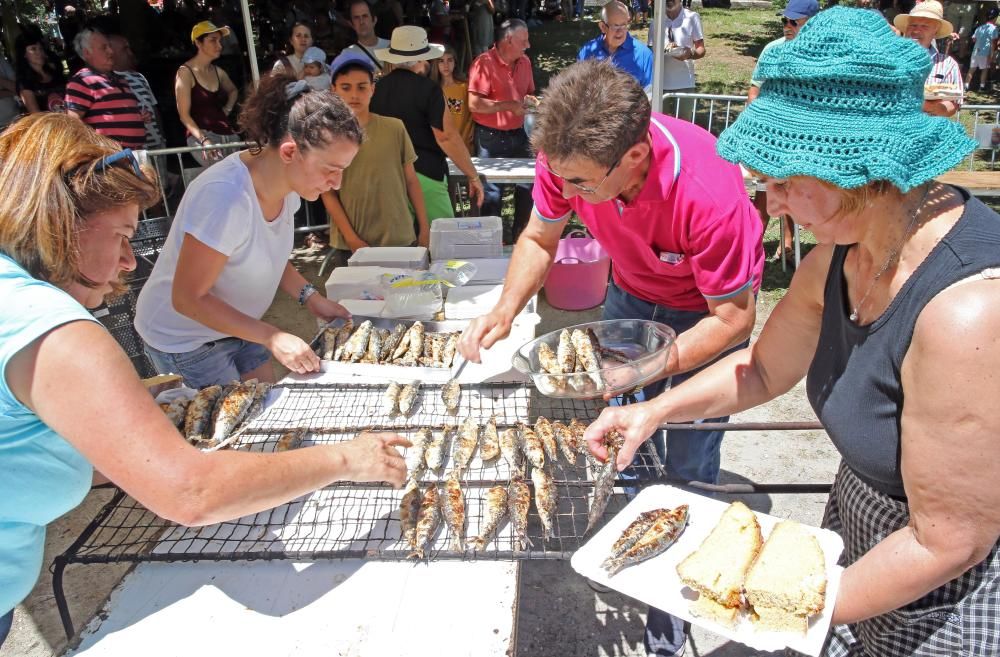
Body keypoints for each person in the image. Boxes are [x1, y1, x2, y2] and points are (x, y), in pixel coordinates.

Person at [587, 8, 1000, 657]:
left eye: (783, 181)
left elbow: (949, 540)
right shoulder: (835, 256)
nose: (769, 201)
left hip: (944, 601)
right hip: (859, 545)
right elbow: (762, 371)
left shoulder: (964, 313)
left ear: (854, 172)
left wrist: (770, 608)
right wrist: (652, 409)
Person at [0, 112, 409, 650]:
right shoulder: (51, 329)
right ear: (56, 222)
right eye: (123, 234)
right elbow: (190, 493)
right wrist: (346, 459)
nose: (129, 260)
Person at [459, 60, 762, 654]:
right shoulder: (565, 158)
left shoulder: (708, 191)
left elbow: (734, 319)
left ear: (633, 155)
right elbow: (540, 237)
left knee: (691, 456)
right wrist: (506, 306)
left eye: (580, 185)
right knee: (625, 429)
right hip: (629, 297)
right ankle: (631, 518)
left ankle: (670, 609)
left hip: (701, 319)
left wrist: (652, 369)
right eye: (562, 179)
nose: (568, 193)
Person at [135, 74, 357, 388]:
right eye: (330, 170)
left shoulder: (289, 186)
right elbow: (187, 298)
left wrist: (310, 297)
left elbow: (269, 254)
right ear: (290, 152)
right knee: (234, 432)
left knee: (264, 403)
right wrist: (273, 336)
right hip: (186, 339)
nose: (337, 183)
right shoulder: (225, 198)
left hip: (239, 324)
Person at [321, 52, 429, 269]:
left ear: (372, 89)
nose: (354, 95)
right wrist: (352, 239)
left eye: (362, 87)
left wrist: (424, 227)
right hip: (352, 243)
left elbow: (411, 181)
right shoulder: (327, 137)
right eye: (345, 87)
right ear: (333, 90)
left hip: (399, 238)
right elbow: (328, 192)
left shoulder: (395, 128)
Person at [370, 26, 484, 221]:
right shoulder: (429, 90)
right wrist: (472, 175)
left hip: (388, 176)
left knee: (400, 246)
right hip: (426, 174)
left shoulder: (375, 90)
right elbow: (446, 136)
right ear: (422, 58)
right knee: (440, 241)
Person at [747, 0, 819, 264]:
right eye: (784, 21)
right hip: (773, 138)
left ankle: (790, 245)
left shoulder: (823, 55)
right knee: (765, 196)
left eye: (794, 22)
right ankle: (751, 251)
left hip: (807, 141)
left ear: (811, 23)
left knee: (796, 195)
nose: (787, 26)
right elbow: (754, 91)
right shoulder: (772, 50)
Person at [468, 19, 537, 240]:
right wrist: (508, 106)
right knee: (491, 194)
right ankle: (491, 240)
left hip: (517, 133)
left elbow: (528, 93)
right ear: (508, 40)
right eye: (523, 41)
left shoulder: (524, 62)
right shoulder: (483, 63)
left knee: (529, 186)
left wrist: (531, 102)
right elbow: (474, 105)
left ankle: (521, 236)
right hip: (490, 137)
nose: (528, 45)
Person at [65, 28, 147, 149]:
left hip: (134, 154)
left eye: (109, 46)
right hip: (109, 159)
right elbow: (73, 123)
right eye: (104, 47)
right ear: (87, 53)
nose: (111, 51)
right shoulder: (82, 81)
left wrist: (138, 116)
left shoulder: (121, 80)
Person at [175, 21, 240, 166]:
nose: (219, 45)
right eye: (212, 40)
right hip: (204, 137)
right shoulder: (185, 72)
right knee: (223, 178)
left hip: (228, 135)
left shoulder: (218, 71)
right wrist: (204, 140)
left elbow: (233, 90)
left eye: (219, 40)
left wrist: (227, 110)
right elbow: (184, 116)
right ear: (198, 43)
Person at [895, 0, 964, 118]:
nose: (916, 31)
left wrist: (932, 107)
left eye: (924, 26)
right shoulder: (890, 57)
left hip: (928, 130)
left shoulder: (948, 64)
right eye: (913, 25)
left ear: (935, 31)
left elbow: (954, 104)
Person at [577, 0, 653, 93]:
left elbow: (650, 95)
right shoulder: (587, 52)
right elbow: (579, 90)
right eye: (615, 26)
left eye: (624, 25)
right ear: (602, 27)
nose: (620, 32)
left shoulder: (644, 55)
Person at [109, 33, 166, 150]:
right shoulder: (108, 81)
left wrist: (162, 138)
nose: (130, 53)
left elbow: (154, 108)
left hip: (157, 144)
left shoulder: (139, 77)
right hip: (135, 148)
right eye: (125, 49)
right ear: (112, 53)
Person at [649, 0, 704, 114]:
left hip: (684, 83)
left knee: (683, 126)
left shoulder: (692, 17)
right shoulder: (656, 21)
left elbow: (701, 49)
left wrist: (690, 54)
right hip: (660, 84)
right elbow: (649, 51)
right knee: (661, 125)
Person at [432, 44, 474, 153]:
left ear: (455, 63)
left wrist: (473, 130)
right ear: (436, 64)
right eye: (441, 61)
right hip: (440, 146)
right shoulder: (432, 90)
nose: (446, 65)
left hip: (463, 143)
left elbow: (473, 112)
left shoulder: (465, 86)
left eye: (449, 60)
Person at [14, 31, 67, 114]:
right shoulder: (24, 82)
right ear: (24, 54)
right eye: (33, 49)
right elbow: (36, 114)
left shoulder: (54, 72)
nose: (39, 52)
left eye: (40, 48)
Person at [344, 0, 390, 72]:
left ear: (374, 20)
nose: (361, 22)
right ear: (351, 24)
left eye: (365, 16)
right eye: (356, 17)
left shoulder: (391, 46)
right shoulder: (347, 54)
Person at [966, 7, 998, 91]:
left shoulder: (979, 28)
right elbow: (993, 43)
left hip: (975, 51)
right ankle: (982, 86)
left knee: (971, 69)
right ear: (995, 18)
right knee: (984, 70)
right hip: (985, 53)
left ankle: (966, 85)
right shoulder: (994, 29)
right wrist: (991, 55)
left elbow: (974, 39)